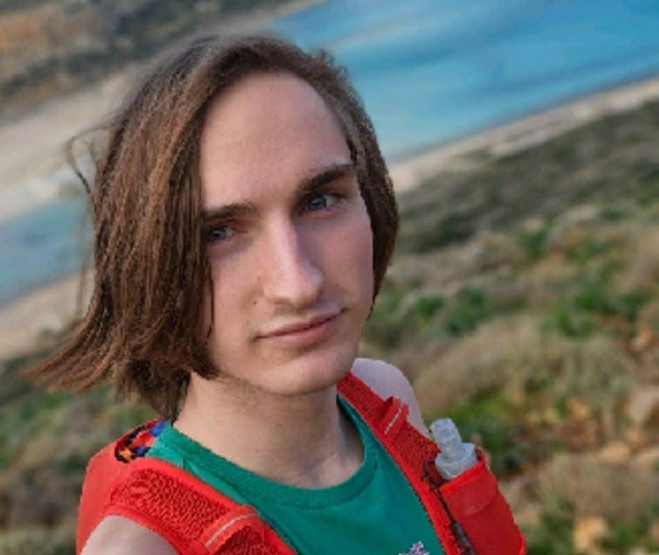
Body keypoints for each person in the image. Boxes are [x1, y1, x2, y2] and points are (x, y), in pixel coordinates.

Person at [31, 34, 524, 555]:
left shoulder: (386, 401)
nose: (299, 284)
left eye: (321, 200)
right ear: (150, 267)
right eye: (218, 233)